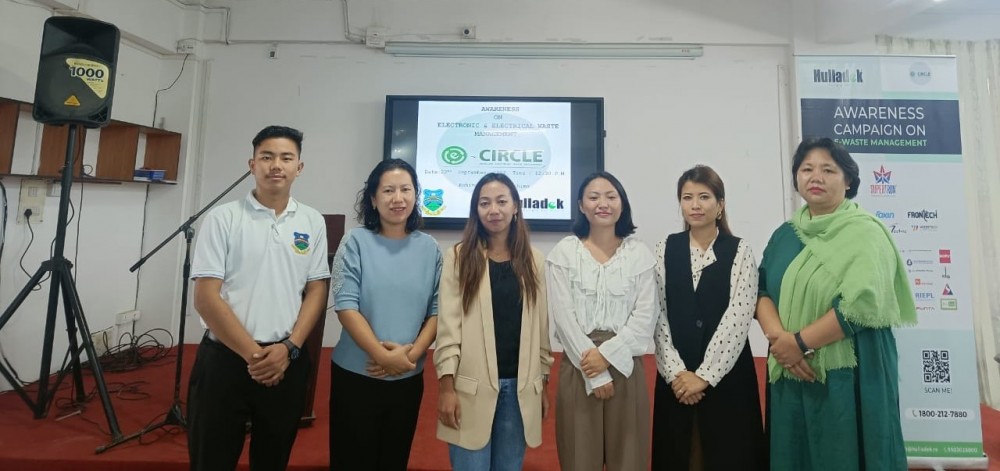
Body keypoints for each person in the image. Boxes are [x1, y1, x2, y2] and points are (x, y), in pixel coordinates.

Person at [756, 137, 915, 470]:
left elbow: (861, 304)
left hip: (851, 372)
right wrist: (781, 343)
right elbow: (761, 289)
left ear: (848, 180)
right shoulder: (786, 234)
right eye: (807, 169)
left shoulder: (865, 233)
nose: (816, 177)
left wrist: (799, 343)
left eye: (828, 169)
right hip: (790, 368)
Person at [187, 125, 331, 471]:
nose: (276, 165)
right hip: (225, 361)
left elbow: (316, 289)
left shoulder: (312, 221)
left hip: (286, 361)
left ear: (300, 167)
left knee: (273, 458)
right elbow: (206, 297)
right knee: (212, 459)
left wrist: (290, 347)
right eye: (267, 157)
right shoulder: (222, 218)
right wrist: (256, 357)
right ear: (252, 164)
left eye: (286, 157)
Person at [434, 172, 553, 471]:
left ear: (516, 207)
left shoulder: (534, 260)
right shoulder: (459, 257)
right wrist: (446, 389)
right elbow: (448, 328)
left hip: (519, 391)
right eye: (484, 203)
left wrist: (544, 384)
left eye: (502, 201)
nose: (494, 210)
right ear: (476, 210)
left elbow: (541, 328)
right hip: (469, 391)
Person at [651, 165, 767, 470]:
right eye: (687, 197)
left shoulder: (739, 250)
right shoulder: (666, 248)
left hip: (727, 379)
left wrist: (703, 377)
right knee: (678, 455)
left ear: (720, 204)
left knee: (729, 455)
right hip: (675, 381)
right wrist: (677, 374)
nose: (695, 205)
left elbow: (738, 318)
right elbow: (657, 315)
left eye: (704, 197)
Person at [329, 158, 442, 471]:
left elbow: (437, 310)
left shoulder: (430, 248)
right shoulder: (355, 241)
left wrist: (410, 356)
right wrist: (382, 355)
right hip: (356, 375)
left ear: (416, 196)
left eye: (406, 189)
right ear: (373, 198)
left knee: (394, 460)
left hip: (407, 376)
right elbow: (346, 305)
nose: (398, 198)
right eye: (388, 190)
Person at [546, 171, 657, 471]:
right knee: (580, 459)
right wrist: (594, 372)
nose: (602, 204)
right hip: (579, 364)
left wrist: (606, 357)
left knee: (629, 460)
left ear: (622, 204)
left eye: (611, 196)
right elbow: (564, 320)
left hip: (626, 367)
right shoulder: (564, 253)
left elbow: (645, 319)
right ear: (581, 205)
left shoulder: (640, 254)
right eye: (593, 197)